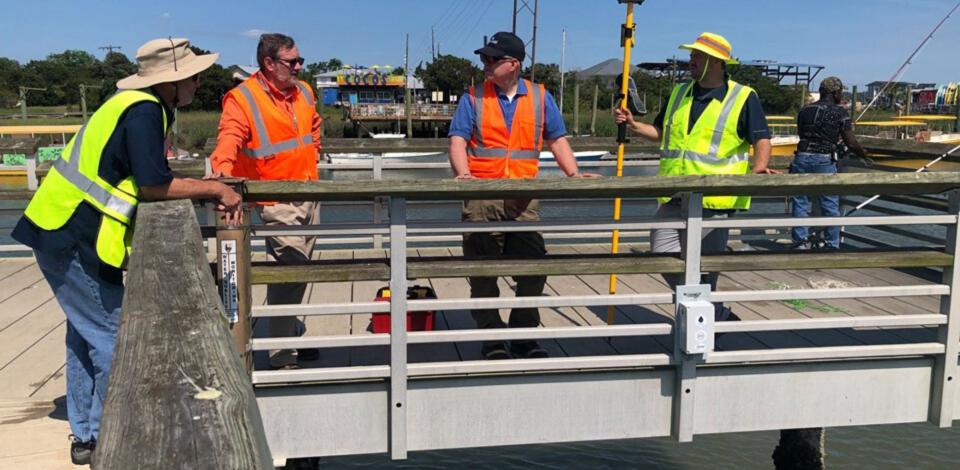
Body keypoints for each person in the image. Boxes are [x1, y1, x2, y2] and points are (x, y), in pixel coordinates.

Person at [11, 38, 242, 466]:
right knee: (112, 338)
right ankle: (108, 435)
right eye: (192, 75)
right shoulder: (142, 111)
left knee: (85, 336)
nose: (197, 80)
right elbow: (154, 184)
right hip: (74, 236)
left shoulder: (135, 104)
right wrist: (216, 189)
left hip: (62, 230)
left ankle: (87, 435)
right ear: (171, 82)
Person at [448, 31, 599, 360]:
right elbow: (458, 139)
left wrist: (573, 173)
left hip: (524, 196)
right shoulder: (472, 96)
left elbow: (556, 139)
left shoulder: (541, 96)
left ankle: (523, 334)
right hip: (481, 195)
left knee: (533, 268)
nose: (485, 64)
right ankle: (492, 338)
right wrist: (463, 175)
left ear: (513, 64)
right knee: (482, 273)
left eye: (491, 59)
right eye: (484, 58)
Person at [614, 32, 776, 321]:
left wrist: (760, 167)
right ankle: (715, 314)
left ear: (715, 62)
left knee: (704, 268)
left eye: (697, 56)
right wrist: (633, 125)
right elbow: (661, 133)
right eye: (692, 55)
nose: (691, 60)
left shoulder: (742, 96)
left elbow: (761, 138)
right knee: (662, 251)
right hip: (674, 193)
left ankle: (699, 335)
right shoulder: (679, 93)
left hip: (714, 201)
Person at [210, 33, 322, 369]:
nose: (299, 66)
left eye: (300, 59)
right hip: (274, 199)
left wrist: (315, 151)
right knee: (290, 269)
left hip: (310, 193)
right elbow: (228, 140)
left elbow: (314, 127)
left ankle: (285, 338)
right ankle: (281, 352)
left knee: (299, 273)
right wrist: (221, 180)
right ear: (269, 64)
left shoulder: (304, 91)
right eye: (292, 62)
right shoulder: (242, 98)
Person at [790, 76, 867, 249]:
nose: (842, 95)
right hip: (824, 158)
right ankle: (832, 244)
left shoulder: (804, 110)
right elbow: (851, 142)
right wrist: (864, 155)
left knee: (800, 202)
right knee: (830, 203)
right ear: (835, 92)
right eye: (841, 92)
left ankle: (799, 243)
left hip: (801, 156)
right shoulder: (840, 112)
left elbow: (802, 134)